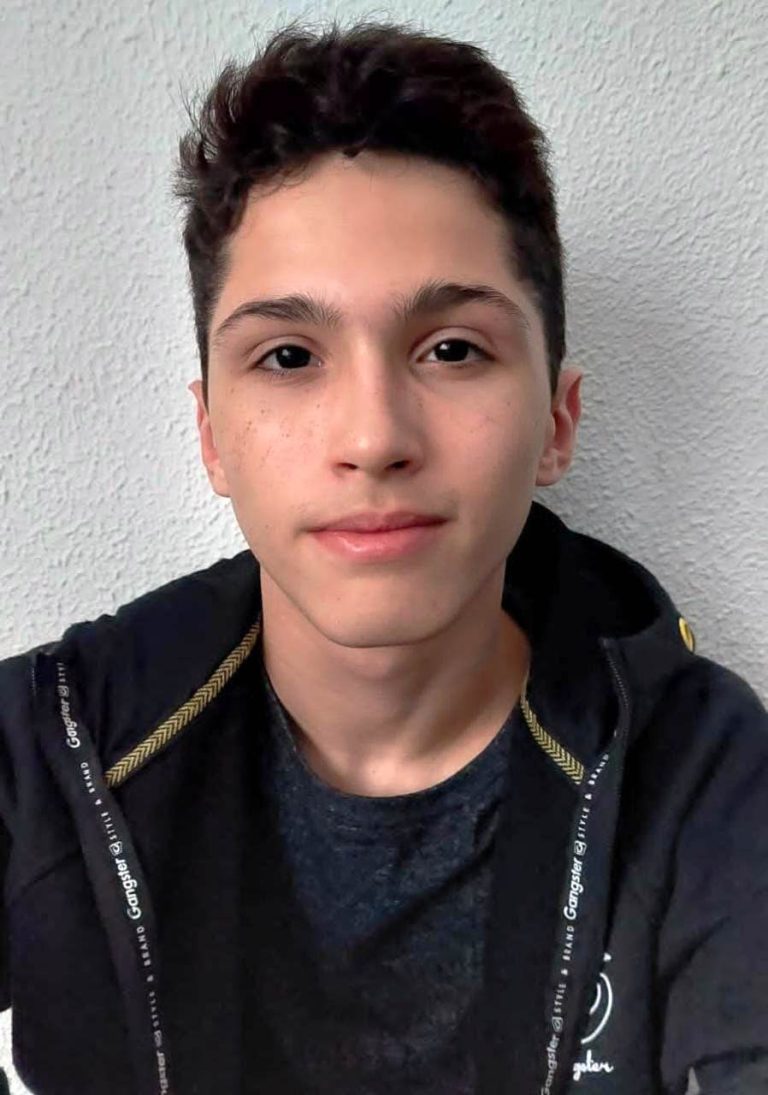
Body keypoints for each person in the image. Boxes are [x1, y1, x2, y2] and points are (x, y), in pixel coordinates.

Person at [1, 17, 766, 1095]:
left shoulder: (702, 777)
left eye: (451, 348)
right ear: (211, 437)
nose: (373, 437)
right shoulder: (50, 747)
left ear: (557, 421)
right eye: (289, 356)